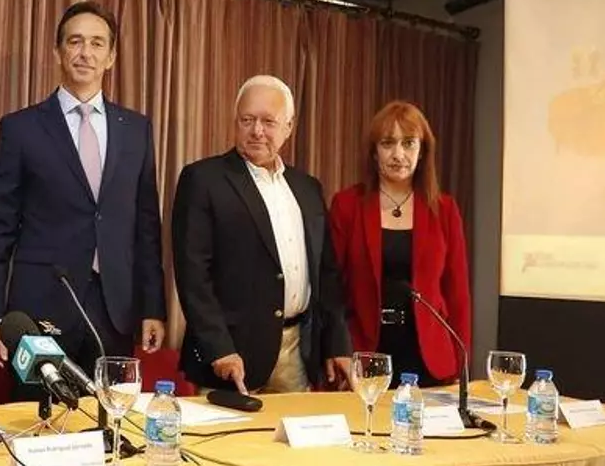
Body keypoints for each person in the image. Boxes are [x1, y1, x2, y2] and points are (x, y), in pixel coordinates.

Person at [0, 1, 166, 389]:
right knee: (38, 418)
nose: (85, 53)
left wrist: (153, 307)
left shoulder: (136, 130)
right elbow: (0, 228)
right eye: (75, 41)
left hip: (114, 310)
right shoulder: (21, 128)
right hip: (40, 306)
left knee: (110, 417)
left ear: (111, 57)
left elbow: (146, 227)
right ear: (57, 51)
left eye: (97, 43)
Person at [173, 75, 351, 394]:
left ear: (289, 127)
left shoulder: (308, 188)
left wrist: (337, 344)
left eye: (269, 121)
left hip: (297, 353)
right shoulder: (203, 179)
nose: (257, 130)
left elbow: (326, 275)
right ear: (235, 121)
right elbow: (193, 275)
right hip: (231, 359)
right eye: (247, 120)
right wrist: (219, 348)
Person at [328, 100, 470, 385]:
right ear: (373, 152)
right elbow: (332, 288)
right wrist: (336, 348)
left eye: (408, 143)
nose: (398, 154)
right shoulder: (347, 205)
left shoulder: (444, 209)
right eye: (387, 143)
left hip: (430, 356)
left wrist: (460, 365)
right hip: (365, 349)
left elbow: (458, 295)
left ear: (422, 151)